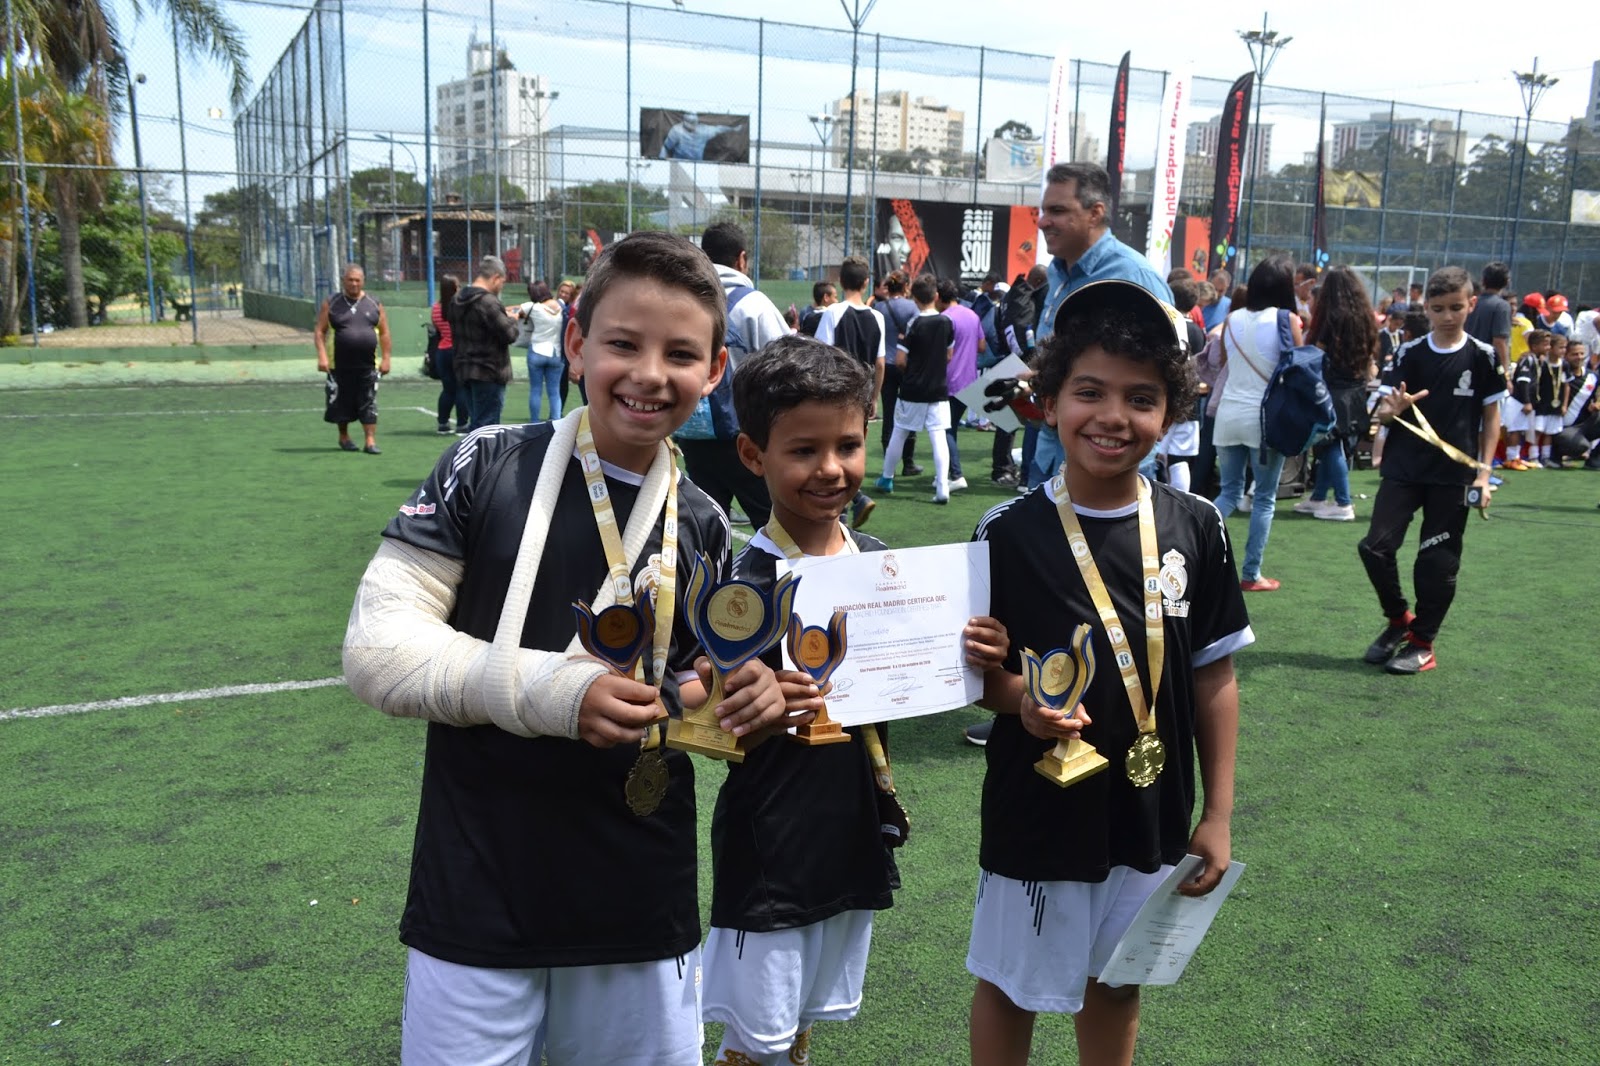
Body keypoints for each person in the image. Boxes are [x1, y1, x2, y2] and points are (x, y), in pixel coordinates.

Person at [341, 231, 798, 1066]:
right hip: (480, 884)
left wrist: (749, 696)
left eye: (680, 354)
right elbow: (379, 649)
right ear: (578, 344)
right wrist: (555, 692)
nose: (650, 374)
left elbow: (697, 680)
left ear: (714, 372)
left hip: (638, 888)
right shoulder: (484, 465)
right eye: (624, 344)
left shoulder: (701, 520)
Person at [967, 278, 1250, 1066]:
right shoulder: (1006, 531)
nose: (1113, 417)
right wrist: (1022, 704)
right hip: (1038, 809)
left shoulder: (1198, 526)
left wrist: (1218, 814)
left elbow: (1214, 678)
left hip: (1154, 809)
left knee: (1119, 982)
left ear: (1173, 411)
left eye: (1142, 398)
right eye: (1089, 392)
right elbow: (981, 677)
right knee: (1010, 985)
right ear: (1050, 399)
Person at [702, 335, 1007, 1066]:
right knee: (757, 1039)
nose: (831, 469)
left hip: (853, 824)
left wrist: (973, 654)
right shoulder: (740, 590)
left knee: (800, 1025)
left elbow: (923, 675)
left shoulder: (879, 564)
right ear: (753, 455)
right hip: (771, 839)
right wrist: (750, 710)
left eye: (847, 445)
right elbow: (709, 723)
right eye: (804, 450)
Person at [965, 161, 1174, 747]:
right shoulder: (1057, 274)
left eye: (1057, 210)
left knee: (1102, 589)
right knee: (1047, 584)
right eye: (1044, 210)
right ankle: (1032, 694)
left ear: (1095, 212)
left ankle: (1109, 708)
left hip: (1106, 469)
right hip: (1050, 447)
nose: (1044, 221)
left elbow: (1154, 373)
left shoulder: (1131, 275)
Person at [1358, 266, 1502, 675]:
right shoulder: (1408, 353)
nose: (1447, 316)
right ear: (1426, 309)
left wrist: (1484, 475)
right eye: (1438, 309)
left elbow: (1491, 419)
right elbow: (1383, 414)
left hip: (1453, 477)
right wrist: (1390, 412)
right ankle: (1398, 620)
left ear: (1471, 304)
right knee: (1375, 547)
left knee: (1436, 561)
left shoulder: (1484, 356)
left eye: (1456, 307)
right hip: (1404, 468)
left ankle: (1422, 643)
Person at [674, 220, 788, 530]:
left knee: (707, 527)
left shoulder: (683, 300)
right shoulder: (754, 304)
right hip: (744, 436)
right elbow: (786, 367)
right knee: (774, 525)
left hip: (692, 434)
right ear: (741, 259)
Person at [1208, 254, 1302, 592]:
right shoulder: (1287, 320)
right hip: (1264, 421)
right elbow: (1300, 369)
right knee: (1263, 498)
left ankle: (1191, 545)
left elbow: (1223, 363)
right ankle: (1251, 574)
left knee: (1229, 492)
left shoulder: (1231, 319)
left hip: (1227, 415)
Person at [1295, 266, 1378, 521]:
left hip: (1331, 389)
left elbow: (1316, 354)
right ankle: (1319, 497)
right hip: (1356, 389)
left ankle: (1343, 502)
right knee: (1332, 443)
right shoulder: (1364, 318)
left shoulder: (1332, 319)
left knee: (1330, 444)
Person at [816, 254, 889, 530]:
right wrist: (874, 397)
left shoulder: (833, 312)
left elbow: (822, 354)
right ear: (866, 282)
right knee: (850, 448)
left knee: (831, 451)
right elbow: (880, 363)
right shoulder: (877, 317)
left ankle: (846, 509)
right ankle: (854, 500)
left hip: (835, 393)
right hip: (862, 394)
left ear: (840, 281)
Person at [876, 273, 955, 504]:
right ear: (936, 296)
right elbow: (949, 355)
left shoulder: (914, 324)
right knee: (938, 437)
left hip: (912, 390)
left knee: (899, 432)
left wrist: (914, 370)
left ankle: (887, 478)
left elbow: (900, 360)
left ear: (915, 298)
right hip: (938, 389)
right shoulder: (947, 322)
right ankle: (943, 487)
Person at [314, 262, 391, 454]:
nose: (354, 284)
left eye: (357, 280)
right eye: (350, 280)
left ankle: (370, 441)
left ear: (363, 281)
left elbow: (384, 333)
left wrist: (386, 358)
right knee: (341, 402)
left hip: (368, 365)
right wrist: (322, 356)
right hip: (339, 365)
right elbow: (319, 331)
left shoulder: (374, 303)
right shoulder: (332, 303)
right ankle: (344, 437)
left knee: (369, 401)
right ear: (343, 281)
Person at [448, 255, 520, 432]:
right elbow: (509, 334)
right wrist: (513, 319)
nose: (501, 286)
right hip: (489, 370)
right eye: (502, 281)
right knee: (487, 428)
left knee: (476, 425)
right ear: (495, 277)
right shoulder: (488, 302)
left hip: (464, 368)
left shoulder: (456, 299)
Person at [938, 277, 985, 493]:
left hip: (949, 381)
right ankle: (948, 472)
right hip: (969, 380)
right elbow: (982, 346)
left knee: (945, 429)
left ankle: (956, 474)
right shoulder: (972, 315)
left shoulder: (945, 318)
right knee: (951, 427)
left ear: (939, 297)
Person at [878, 271, 923, 477]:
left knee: (888, 414)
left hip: (885, 365)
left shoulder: (879, 307)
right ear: (905, 287)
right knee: (908, 414)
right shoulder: (912, 307)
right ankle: (908, 462)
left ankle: (889, 466)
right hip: (906, 364)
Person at [516, 280, 566, 422]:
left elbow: (516, 312)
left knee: (535, 390)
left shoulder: (532, 307)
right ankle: (556, 421)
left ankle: (534, 422)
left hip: (536, 350)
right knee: (554, 392)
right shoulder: (561, 305)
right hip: (556, 352)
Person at [1504, 330, 1549, 470]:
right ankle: (1511, 458)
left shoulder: (1537, 360)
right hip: (1518, 401)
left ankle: (1516, 457)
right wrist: (1526, 401)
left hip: (1524, 402)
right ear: (1534, 346)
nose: (1548, 347)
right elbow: (1523, 382)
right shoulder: (1527, 360)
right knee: (1515, 429)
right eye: (1545, 344)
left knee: (1520, 429)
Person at [430, 274, 468, 435]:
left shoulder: (435, 308)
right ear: (454, 288)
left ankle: (443, 424)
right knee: (462, 389)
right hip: (458, 351)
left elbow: (437, 329)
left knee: (447, 390)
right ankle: (462, 425)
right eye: (458, 286)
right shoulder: (461, 307)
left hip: (442, 352)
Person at [1464, 261, 1512, 380]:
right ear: (1507, 281)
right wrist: (1504, 373)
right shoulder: (1501, 306)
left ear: (1483, 280)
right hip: (1487, 368)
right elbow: (1499, 342)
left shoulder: (1471, 302)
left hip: (1465, 361)